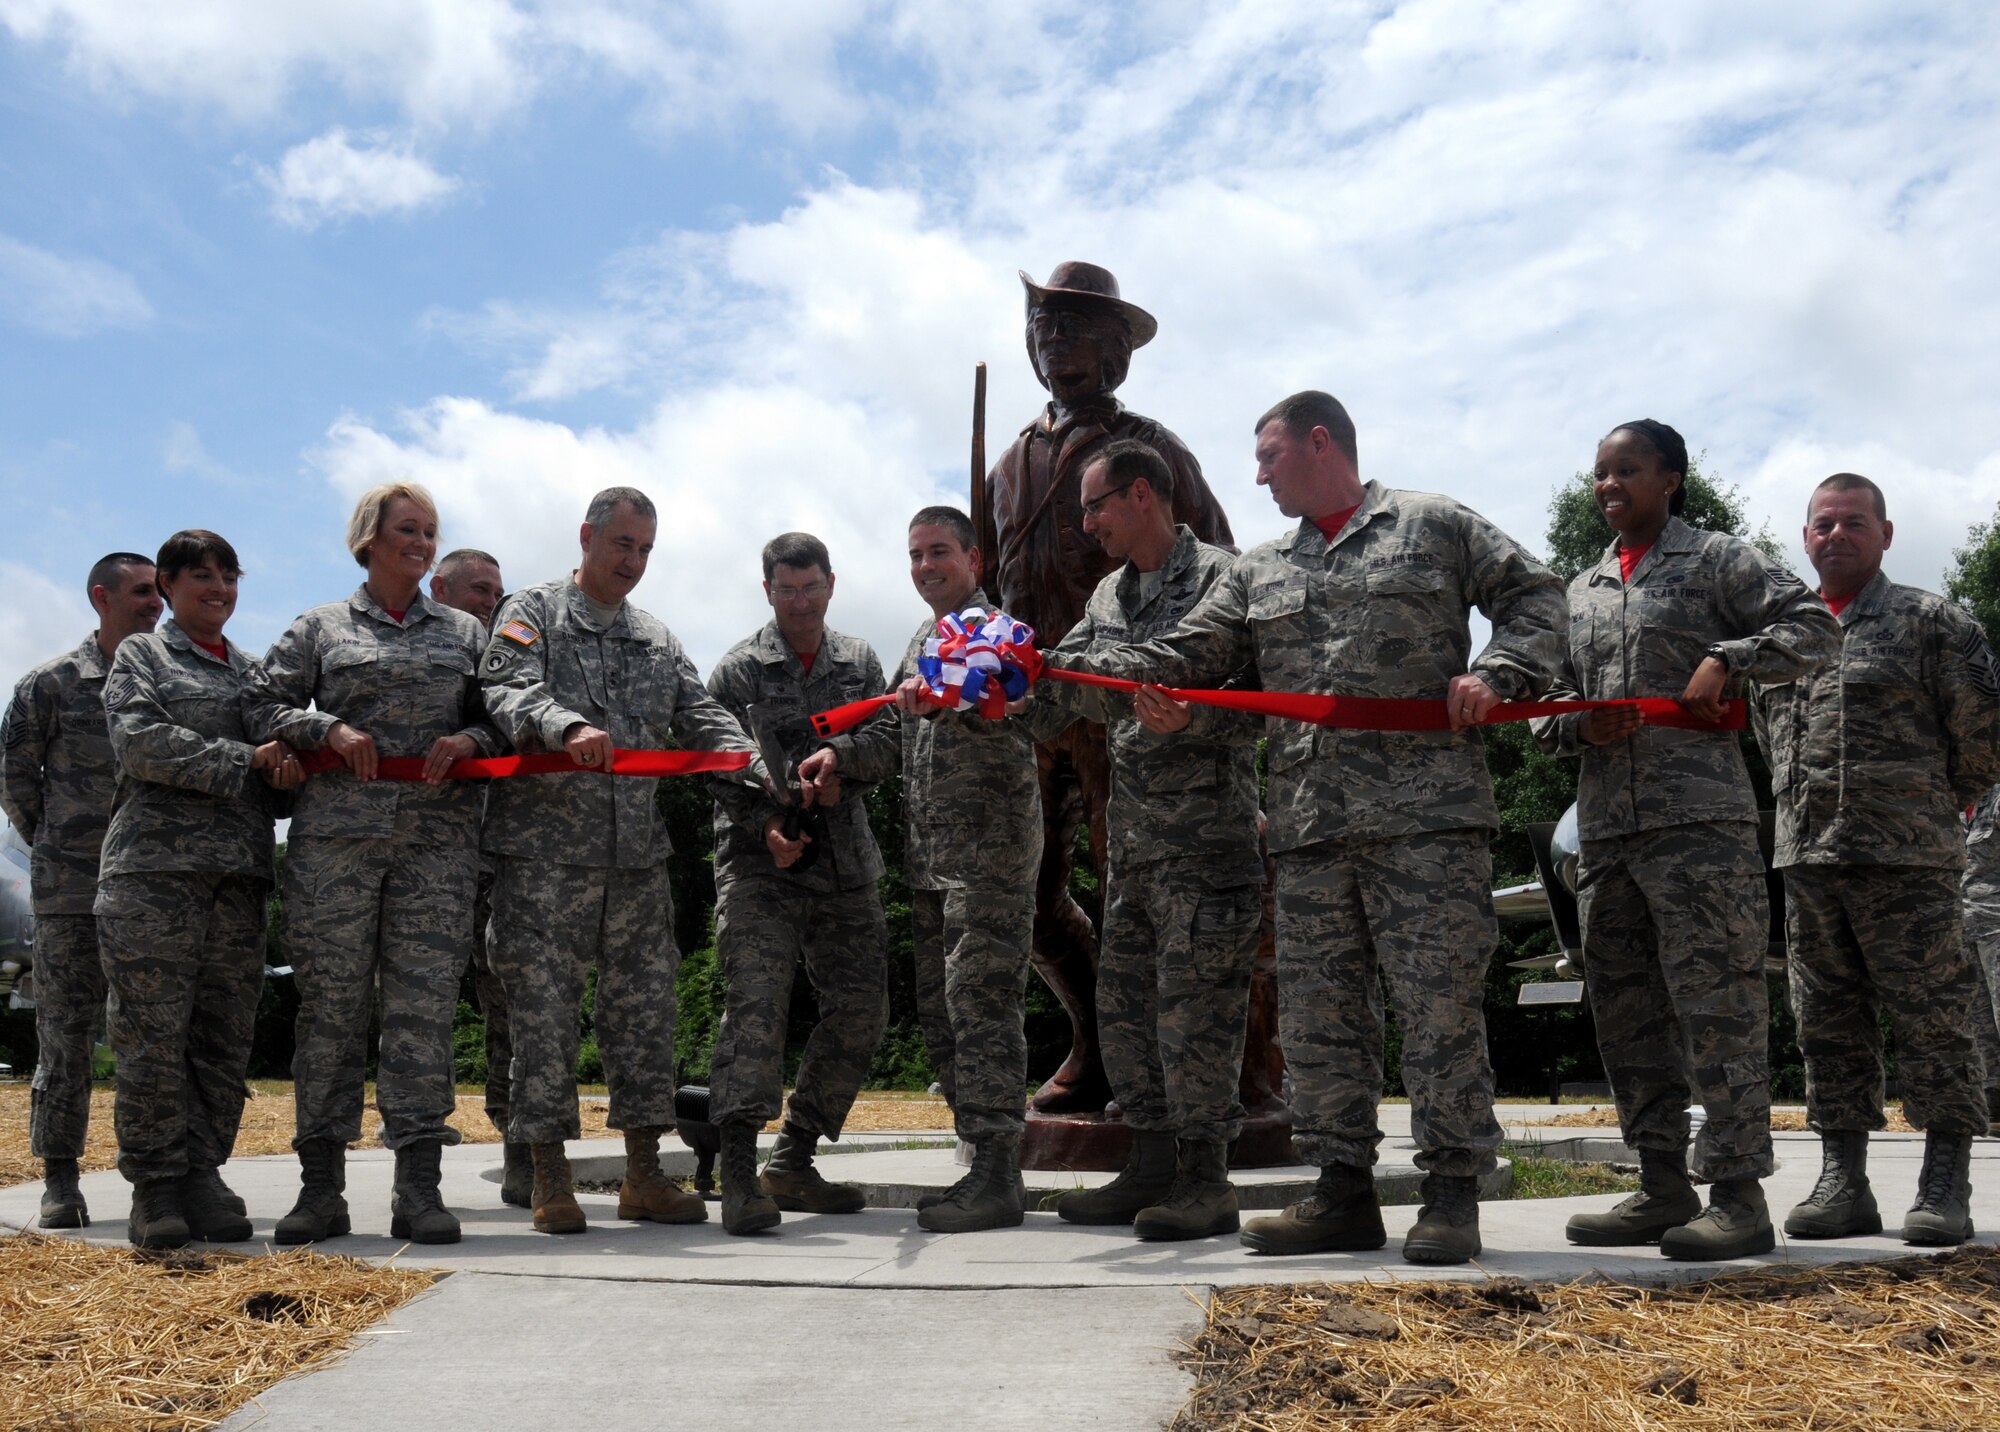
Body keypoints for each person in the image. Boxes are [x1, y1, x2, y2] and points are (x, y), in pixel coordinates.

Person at [1042, 391, 1567, 1264]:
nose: (1257, 475)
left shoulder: (1431, 525)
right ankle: (1342, 1192)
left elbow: (1536, 596)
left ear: (1320, 443)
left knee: (1436, 1012)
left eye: (1270, 457)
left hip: (1425, 824)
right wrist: (1035, 670)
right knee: (1323, 1024)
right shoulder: (1261, 570)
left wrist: (1503, 672)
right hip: (1310, 832)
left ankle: (1450, 1195)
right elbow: (1188, 655)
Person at [1533, 421, 1840, 1260]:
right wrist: (1576, 729)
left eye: (1626, 469)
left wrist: (1730, 656)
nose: (1608, 485)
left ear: (1670, 478)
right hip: (1606, 836)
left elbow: (1816, 629)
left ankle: (1738, 1198)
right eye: (1598, 472)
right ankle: (1660, 1184)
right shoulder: (1581, 589)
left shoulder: (1718, 560)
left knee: (1720, 1010)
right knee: (1628, 1017)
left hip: (1699, 828)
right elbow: (1546, 707)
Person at [976, 262, 1236, 1112]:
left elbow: (1223, 571)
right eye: (1049, 331)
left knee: (1137, 885)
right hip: (1035, 705)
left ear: (1118, 349)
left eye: (1082, 332)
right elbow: (991, 582)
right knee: (1029, 893)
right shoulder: (1011, 456)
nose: (1062, 348)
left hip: (1127, 704)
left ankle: (1198, 1081)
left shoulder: (1150, 448)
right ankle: (1096, 1041)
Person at [478, 486, 764, 1235]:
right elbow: (506, 688)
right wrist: (564, 723)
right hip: (543, 860)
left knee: (645, 1020)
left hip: (635, 863)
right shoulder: (532, 612)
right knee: (543, 1023)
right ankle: (548, 1179)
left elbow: (699, 714)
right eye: (621, 546)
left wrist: (753, 765)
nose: (632, 562)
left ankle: (644, 1175)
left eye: (644, 550)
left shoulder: (656, 639)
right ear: (587, 537)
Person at [1019, 440, 1264, 1241]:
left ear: (1141, 496)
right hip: (1134, 850)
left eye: (1094, 506)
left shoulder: (1225, 577)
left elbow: (1191, 658)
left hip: (1207, 844)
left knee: (1198, 1019)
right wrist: (1005, 685)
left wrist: (1064, 673)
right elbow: (1065, 700)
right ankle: (1152, 1164)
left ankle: (1206, 1179)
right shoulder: (1108, 594)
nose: (1086, 523)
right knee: (1126, 1014)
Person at [246, 488, 502, 1246]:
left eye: (431, 533)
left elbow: (506, 709)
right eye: (407, 531)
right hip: (336, 850)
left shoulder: (465, 631)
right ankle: (320, 1189)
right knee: (331, 1014)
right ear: (368, 540)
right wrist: (325, 725)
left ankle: (418, 1190)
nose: (422, 544)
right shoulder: (320, 627)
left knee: (421, 1015)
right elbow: (259, 703)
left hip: (437, 848)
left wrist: (473, 742)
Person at [1755, 473, 2000, 1246]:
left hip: (1910, 861)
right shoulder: (1782, 639)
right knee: (1825, 1023)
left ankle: (1945, 1177)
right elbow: (1771, 742)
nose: (1837, 535)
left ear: (1885, 535)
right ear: (1804, 538)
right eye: (1823, 524)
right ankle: (1843, 1179)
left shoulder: (1932, 622)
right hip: (1809, 862)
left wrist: (1922, 805)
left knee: (1935, 1018)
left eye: (1854, 523)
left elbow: (1983, 739)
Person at [798, 506, 1043, 1233]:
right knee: (943, 1020)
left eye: (939, 552)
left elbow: (1019, 700)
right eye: (914, 556)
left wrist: (951, 685)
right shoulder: (921, 640)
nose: (925, 567)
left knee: (983, 1011)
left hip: (989, 859)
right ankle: (979, 1165)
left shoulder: (998, 634)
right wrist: (839, 757)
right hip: (932, 865)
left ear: (975, 558)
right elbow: (897, 741)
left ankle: (1001, 1172)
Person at [96, 530, 302, 1248]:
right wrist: (250, 758)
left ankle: (203, 1172)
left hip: (237, 881)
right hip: (153, 877)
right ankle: (155, 1187)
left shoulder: (253, 673)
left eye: (228, 576)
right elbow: (140, 742)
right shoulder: (143, 654)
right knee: (152, 1037)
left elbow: (275, 783)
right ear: (170, 586)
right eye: (201, 577)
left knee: (221, 1040)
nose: (218, 589)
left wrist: (286, 776)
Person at [703, 532, 892, 1234]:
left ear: (831, 585)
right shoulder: (738, 670)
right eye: (787, 590)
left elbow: (890, 737)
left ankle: (794, 1159)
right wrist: (763, 825)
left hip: (845, 866)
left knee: (863, 1010)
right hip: (763, 871)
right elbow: (714, 761)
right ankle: (736, 1174)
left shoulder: (860, 660)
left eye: (811, 588)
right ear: (769, 591)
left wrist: (841, 761)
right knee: (756, 1011)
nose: (801, 601)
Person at [2, 552, 164, 1228]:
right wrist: (61, 843)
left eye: (159, 593)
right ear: (102, 597)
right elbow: (16, 777)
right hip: (70, 889)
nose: (155, 605)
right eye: (142, 593)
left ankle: (153, 1179)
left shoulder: (167, 678)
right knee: (64, 1039)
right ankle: (60, 1180)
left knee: (149, 1038)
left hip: (151, 886)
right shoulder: (53, 683)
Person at [428, 546, 529, 1205]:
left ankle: (519, 1145)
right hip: (425, 857)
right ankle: (419, 1140)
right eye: (478, 590)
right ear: (441, 588)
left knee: (510, 1008)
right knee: (423, 1002)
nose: (490, 602)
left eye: (496, 592)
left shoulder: (514, 665)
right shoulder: (419, 656)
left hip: (496, 857)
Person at [1966, 787, 2000, 1129]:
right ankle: (1994, 1103)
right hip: (1965, 924)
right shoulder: (1953, 806)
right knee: (1978, 1023)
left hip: (1997, 921)